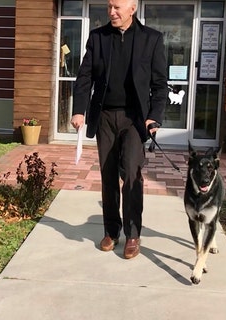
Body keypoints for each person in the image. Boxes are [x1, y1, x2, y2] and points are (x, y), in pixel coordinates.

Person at [70, 0, 168, 259]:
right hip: (105, 117)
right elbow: (85, 77)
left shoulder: (152, 40)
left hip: (135, 119)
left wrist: (153, 117)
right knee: (108, 174)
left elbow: (160, 86)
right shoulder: (98, 38)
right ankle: (112, 231)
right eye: (109, 7)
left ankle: (133, 234)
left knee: (132, 174)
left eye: (117, 7)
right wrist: (79, 110)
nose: (112, 12)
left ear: (132, 8)